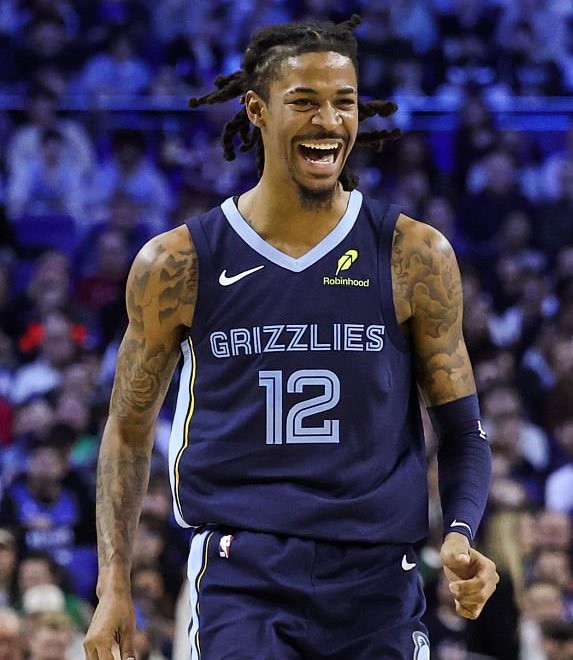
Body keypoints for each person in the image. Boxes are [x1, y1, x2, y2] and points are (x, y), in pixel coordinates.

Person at [84, 15, 499, 659]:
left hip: (379, 580)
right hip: (242, 576)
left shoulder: (413, 254)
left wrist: (461, 532)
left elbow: (463, 430)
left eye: (344, 103)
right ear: (256, 109)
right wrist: (112, 580)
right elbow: (128, 430)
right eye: (304, 101)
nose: (328, 122)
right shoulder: (178, 263)